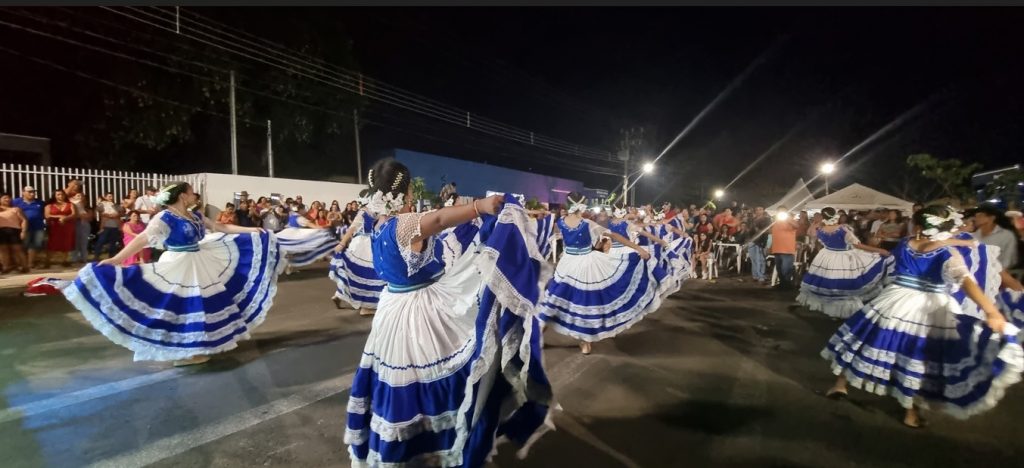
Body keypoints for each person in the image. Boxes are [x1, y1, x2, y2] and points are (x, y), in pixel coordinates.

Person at [344, 159, 553, 466]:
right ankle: (444, 443)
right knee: (445, 373)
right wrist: (479, 206)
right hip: (420, 311)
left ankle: (413, 448)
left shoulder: (375, 223)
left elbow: (439, 225)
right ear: (405, 192)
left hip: (392, 309)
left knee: (401, 379)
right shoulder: (403, 224)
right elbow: (440, 219)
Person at [821, 205, 1023, 428]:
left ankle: (839, 385)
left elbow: (924, 249)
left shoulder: (906, 244)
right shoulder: (947, 253)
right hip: (930, 307)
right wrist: (992, 312)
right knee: (917, 361)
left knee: (864, 341)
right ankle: (910, 413)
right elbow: (966, 281)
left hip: (893, 301)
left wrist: (955, 240)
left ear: (918, 226)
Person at [60, 181, 282, 366]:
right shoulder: (165, 217)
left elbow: (220, 227)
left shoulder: (194, 215)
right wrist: (118, 259)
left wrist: (251, 229)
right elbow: (143, 239)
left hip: (199, 261)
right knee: (178, 306)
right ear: (182, 195)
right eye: (190, 192)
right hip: (178, 263)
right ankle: (182, 352)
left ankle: (192, 349)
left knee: (199, 306)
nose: (194, 194)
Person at [538, 193, 655, 355]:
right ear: (581, 206)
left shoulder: (560, 222)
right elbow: (615, 236)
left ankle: (538, 335)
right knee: (586, 302)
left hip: (566, 264)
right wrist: (638, 248)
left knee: (555, 297)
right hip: (586, 263)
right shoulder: (587, 223)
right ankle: (584, 342)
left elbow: (547, 235)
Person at [796, 207, 893, 319]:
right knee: (841, 284)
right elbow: (857, 245)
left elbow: (810, 233)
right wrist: (879, 250)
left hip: (826, 256)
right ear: (835, 216)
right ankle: (838, 311)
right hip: (843, 257)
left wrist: (815, 223)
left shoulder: (820, 229)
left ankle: (829, 309)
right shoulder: (843, 229)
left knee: (828, 282)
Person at [330, 189, 384, 315]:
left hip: (360, 242)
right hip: (368, 244)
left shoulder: (366, 211)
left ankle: (338, 295)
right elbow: (352, 228)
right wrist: (342, 243)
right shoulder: (375, 211)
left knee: (355, 272)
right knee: (369, 274)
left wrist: (343, 243)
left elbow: (353, 228)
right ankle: (366, 307)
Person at [274, 204, 336, 271]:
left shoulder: (291, 214)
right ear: (300, 210)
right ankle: (290, 265)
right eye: (304, 209)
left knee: (289, 250)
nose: (305, 211)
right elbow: (313, 226)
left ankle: (289, 266)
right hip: (294, 235)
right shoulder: (300, 218)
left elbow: (288, 208)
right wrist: (323, 229)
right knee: (296, 250)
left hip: (286, 233)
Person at [972, 204, 1019, 269]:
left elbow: (1009, 261)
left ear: (992, 218)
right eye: (975, 216)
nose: (976, 219)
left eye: (980, 215)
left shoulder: (1006, 236)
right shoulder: (974, 235)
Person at [14, 186, 45, 269]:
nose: (32, 193)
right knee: (24, 245)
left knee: (35, 245)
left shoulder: (40, 202)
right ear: (23, 192)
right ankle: (23, 263)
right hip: (23, 228)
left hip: (38, 227)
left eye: (33, 192)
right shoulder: (16, 202)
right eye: (30, 192)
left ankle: (30, 263)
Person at [44, 189, 77, 268]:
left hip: (67, 226)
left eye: (62, 194)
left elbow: (74, 214)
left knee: (66, 243)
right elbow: (47, 215)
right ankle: (48, 261)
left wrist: (65, 218)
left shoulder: (70, 204)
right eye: (58, 194)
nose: (60, 196)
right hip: (55, 226)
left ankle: (64, 261)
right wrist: (59, 216)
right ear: (54, 196)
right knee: (52, 243)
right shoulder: (49, 205)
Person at [770, 206, 800, 289]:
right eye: (780, 211)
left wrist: (787, 218)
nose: (781, 213)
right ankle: (782, 284)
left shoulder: (791, 221)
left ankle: (787, 285)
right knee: (779, 269)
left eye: (783, 212)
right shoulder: (775, 222)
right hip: (777, 249)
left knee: (786, 269)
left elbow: (797, 226)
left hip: (787, 250)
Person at [0, 193, 29, 273]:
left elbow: (24, 220)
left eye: (8, 198)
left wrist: (23, 231)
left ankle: (25, 267)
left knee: (18, 249)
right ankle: (5, 267)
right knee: (3, 250)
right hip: (1, 231)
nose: (7, 199)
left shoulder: (15, 209)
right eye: (4, 198)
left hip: (14, 231)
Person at [65, 178, 91, 264]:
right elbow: (65, 195)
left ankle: (84, 258)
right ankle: (74, 258)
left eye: (77, 184)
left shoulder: (80, 194)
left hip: (82, 220)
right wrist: (71, 185)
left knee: (83, 240)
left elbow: (84, 204)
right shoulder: (65, 194)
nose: (76, 186)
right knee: (74, 241)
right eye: (74, 184)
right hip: (72, 220)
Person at [93, 192, 124, 262]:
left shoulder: (116, 205)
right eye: (109, 196)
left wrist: (117, 214)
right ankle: (96, 256)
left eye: (112, 196)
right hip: (105, 226)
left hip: (115, 226)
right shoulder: (102, 204)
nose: (111, 198)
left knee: (113, 243)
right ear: (105, 197)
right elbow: (97, 210)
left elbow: (122, 212)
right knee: (100, 242)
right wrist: (104, 215)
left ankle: (111, 257)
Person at [747, 206, 772, 284]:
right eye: (757, 209)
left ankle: (761, 276)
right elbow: (749, 230)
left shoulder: (767, 219)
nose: (758, 211)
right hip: (752, 240)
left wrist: (759, 230)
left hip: (761, 241)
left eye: (760, 209)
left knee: (760, 259)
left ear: (763, 210)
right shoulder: (752, 219)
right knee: (753, 259)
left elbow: (768, 230)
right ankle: (755, 275)